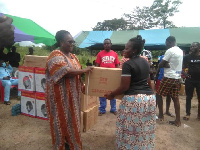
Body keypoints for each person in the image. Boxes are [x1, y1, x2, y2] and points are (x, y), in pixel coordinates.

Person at [104, 35, 156, 149]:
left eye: (127, 49)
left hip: (134, 100)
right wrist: (152, 96)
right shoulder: (145, 62)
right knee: (144, 126)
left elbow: (124, 86)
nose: (124, 51)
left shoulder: (128, 64)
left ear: (134, 51)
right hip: (149, 98)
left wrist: (112, 94)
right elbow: (148, 82)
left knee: (130, 128)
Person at [45, 30, 93, 150]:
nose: (72, 43)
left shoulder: (73, 56)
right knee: (60, 120)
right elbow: (65, 72)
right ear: (61, 42)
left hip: (73, 96)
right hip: (59, 97)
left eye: (73, 41)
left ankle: (71, 143)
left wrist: (82, 86)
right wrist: (84, 70)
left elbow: (77, 74)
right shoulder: (55, 55)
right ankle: (61, 145)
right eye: (69, 41)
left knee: (72, 120)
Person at [157, 36, 183, 127]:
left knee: (159, 94)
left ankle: (160, 115)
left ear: (169, 42)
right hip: (177, 77)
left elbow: (161, 64)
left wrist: (165, 64)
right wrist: (167, 64)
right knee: (175, 98)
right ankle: (178, 120)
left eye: (166, 43)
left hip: (169, 77)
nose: (166, 45)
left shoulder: (170, 51)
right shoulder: (180, 50)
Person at [95, 38, 120, 116]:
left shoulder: (114, 54)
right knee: (102, 92)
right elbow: (97, 65)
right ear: (103, 45)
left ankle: (113, 109)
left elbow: (117, 65)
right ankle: (102, 109)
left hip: (112, 77)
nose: (106, 45)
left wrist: (117, 74)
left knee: (113, 92)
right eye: (105, 44)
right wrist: (98, 75)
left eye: (108, 43)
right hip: (103, 76)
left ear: (111, 44)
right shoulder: (100, 54)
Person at [182, 42, 200, 120]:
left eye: (194, 46)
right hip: (190, 80)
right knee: (188, 97)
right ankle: (187, 114)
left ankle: (199, 114)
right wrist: (185, 74)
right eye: (191, 46)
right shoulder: (187, 57)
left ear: (199, 48)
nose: (191, 48)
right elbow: (181, 67)